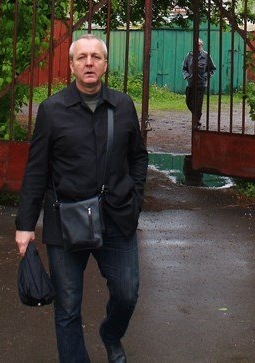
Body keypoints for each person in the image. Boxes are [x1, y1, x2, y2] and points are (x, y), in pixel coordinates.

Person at [15, 35, 148, 363]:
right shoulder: (52, 110)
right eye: (82, 57)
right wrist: (25, 225)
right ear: (71, 65)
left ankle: (111, 334)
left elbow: (138, 158)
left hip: (116, 217)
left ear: (105, 64)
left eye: (96, 57)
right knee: (68, 306)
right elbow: (36, 170)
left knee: (127, 292)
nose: (89, 62)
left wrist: (135, 200)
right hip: (67, 220)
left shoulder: (122, 105)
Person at [181, 37, 216, 128]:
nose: (197, 46)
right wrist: (187, 76)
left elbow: (212, 69)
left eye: (199, 45)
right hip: (191, 83)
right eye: (196, 45)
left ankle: (196, 122)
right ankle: (196, 117)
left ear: (201, 45)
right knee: (189, 102)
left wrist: (205, 76)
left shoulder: (206, 55)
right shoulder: (189, 55)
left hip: (201, 84)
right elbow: (184, 68)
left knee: (198, 104)